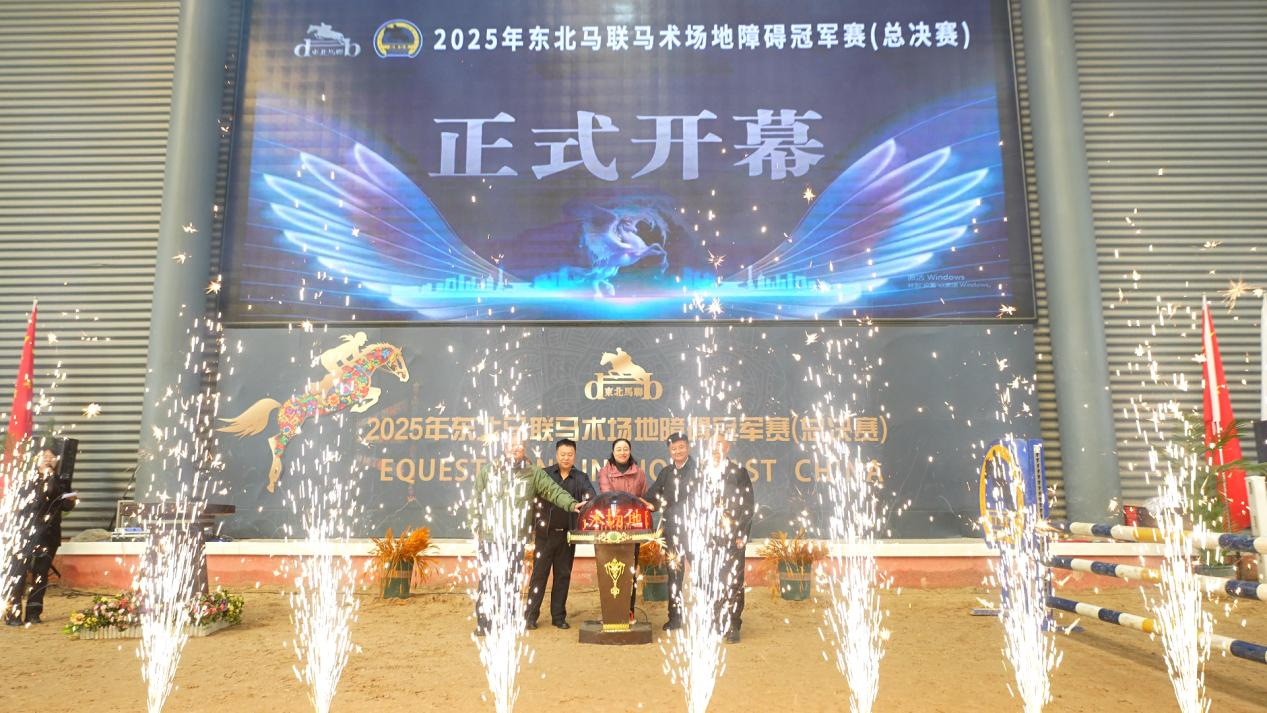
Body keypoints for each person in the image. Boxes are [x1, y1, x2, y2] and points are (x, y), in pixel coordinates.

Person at [470, 438, 581, 637]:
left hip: (516, 537)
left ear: (524, 450)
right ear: (505, 448)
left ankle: (506, 621)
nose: (516, 448)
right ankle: (484, 623)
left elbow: (553, 491)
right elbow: (476, 499)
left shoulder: (533, 473)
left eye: (520, 446)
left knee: (511, 581)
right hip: (491, 537)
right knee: (488, 580)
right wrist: (476, 525)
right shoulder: (488, 471)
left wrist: (572, 504)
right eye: (512, 445)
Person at [524, 438, 595, 630]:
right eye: (562, 454)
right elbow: (531, 501)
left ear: (575, 456)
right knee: (539, 576)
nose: (566, 458)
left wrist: (588, 502)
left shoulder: (581, 478)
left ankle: (558, 617)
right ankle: (530, 617)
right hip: (544, 535)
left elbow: (590, 498)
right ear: (556, 455)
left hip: (567, 536)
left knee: (563, 576)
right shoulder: (544, 474)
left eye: (570, 454)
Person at [5, 447, 77, 626]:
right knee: (18, 574)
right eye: (44, 456)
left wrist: (71, 498)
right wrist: (47, 479)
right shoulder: (26, 479)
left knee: (40, 575)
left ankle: (33, 613)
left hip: (48, 535)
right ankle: (13, 614)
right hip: (24, 534)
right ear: (36, 459)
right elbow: (34, 502)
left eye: (52, 457)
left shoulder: (60, 481)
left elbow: (65, 506)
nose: (48, 460)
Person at [706, 434, 756, 644]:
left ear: (727, 447)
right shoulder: (703, 472)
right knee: (713, 580)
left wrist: (742, 533)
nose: (716, 447)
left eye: (720, 443)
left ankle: (734, 623)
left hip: (733, 536)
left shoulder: (738, 472)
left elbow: (748, 505)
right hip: (710, 537)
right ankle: (717, 622)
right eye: (712, 444)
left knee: (734, 581)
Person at [644, 432, 694, 631]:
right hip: (672, 533)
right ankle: (675, 618)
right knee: (674, 576)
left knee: (703, 574)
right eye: (674, 448)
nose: (678, 451)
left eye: (681, 447)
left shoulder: (699, 471)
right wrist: (649, 505)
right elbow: (653, 496)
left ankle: (710, 616)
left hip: (695, 531)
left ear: (688, 447)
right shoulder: (666, 472)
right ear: (669, 451)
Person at [596, 437, 650, 618]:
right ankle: (611, 611)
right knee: (610, 567)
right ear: (613, 452)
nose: (622, 452)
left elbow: (643, 497)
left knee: (631, 569)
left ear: (630, 451)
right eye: (618, 449)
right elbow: (607, 496)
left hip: (633, 526)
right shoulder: (605, 472)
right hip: (611, 526)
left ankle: (629, 610)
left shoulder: (639, 473)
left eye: (625, 449)